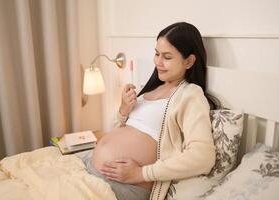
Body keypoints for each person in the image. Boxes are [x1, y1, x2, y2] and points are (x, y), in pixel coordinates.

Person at [82, 22, 218, 200]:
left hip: (121, 187)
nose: (158, 62)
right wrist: (123, 111)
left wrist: (141, 173)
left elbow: (203, 157)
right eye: (156, 54)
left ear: (189, 61)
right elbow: (114, 132)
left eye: (167, 57)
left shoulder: (190, 94)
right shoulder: (150, 89)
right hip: (89, 168)